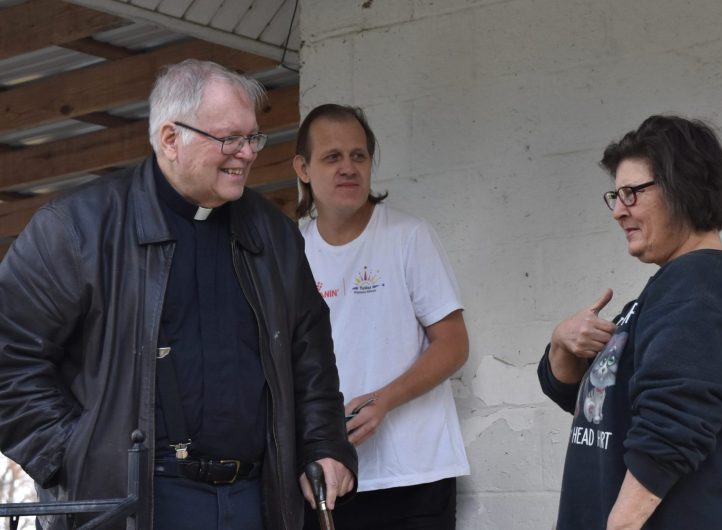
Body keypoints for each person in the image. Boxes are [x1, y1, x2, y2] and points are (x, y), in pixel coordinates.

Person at [0, 60, 357, 530]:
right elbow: (9, 358)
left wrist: (324, 445)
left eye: (253, 138)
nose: (247, 153)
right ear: (171, 139)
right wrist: (76, 453)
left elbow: (308, 355)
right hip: (135, 502)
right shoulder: (77, 228)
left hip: (255, 497)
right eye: (230, 138)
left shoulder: (275, 236)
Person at [537, 115, 722, 530]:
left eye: (632, 193)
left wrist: (621, 524)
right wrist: (562, 341)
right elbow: (598, 407)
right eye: (616, 194)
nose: (618, 211)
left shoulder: (703, 287)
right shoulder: (668, 290)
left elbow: (670, 435)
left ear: (682, 188)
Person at [292, 104, 470, 530]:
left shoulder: (409, 236)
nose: (348, 168)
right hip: (329, 474)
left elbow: (454, 344)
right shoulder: (291, 252)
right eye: (332, 157)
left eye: (359, 156)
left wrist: (384, 400)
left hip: (415, 471)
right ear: (303, 168)